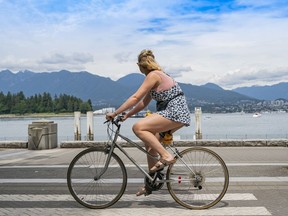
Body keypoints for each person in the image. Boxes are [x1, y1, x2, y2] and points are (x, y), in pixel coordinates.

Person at [106, 49, 191, 196]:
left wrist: (115, 113)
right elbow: (143, 103)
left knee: (138, 127)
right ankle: (151, 184)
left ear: (140, 65)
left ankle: (166, 156)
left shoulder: (153, 75)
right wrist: (127, 114)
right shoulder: (158, 75)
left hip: (174, 112)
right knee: (151, 147)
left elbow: (135, 98)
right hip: (176, 113)